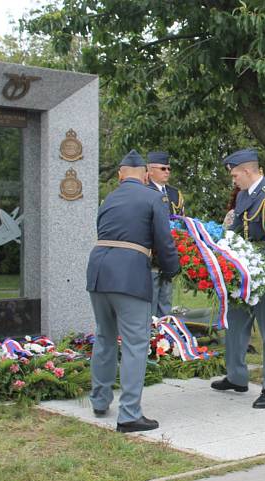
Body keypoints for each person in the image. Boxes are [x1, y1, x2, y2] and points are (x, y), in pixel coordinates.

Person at [86, 150, 179, 432]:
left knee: (104, 337)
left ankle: (100, 400)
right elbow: (163, 240)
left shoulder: (109, 198)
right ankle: (128, 415)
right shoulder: (154, 197)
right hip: (129, 275)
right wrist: (172, 268)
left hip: (98, 272)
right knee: (135, 343)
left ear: (120, 175)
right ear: (146, 176)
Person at [210, 149, 265, 409]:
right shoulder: (246, 196)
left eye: (235, 174)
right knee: (235, 325)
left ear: (248, 171)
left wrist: (252, 268)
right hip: (244, 272)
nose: (233, 179)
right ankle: (236, 377)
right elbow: (234, 232)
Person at [146, 150, 184, 318]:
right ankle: (151, 338)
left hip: (168, 254)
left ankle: (166, 338)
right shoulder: (144, 190)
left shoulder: (175, 194)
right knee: (150, 302)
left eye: (169, 168)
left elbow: (182, 222)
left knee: (166, 300)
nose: (167, 171)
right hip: (150, 255)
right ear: (150, 170)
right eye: (163, 168)